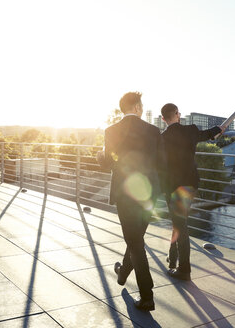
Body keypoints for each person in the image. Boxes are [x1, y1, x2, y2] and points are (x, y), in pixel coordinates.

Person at [97, 92, 165, 311]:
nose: (142, 108)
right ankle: (123, 273)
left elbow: (106, 163)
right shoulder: (154, 130)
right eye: (142, 105)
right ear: (136, 107)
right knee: (136, 238)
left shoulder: (111, 131)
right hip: (149, 192)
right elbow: (162, 162)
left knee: (135, 241)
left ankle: (147, 297)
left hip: (125, 192)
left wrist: (100, 154)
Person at [160, 103, 224, 280]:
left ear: (163, 119)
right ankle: (173, 259)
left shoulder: (162, 138)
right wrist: (220, 127)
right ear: (178, 114)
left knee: (179, 224)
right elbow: (208, 134)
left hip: (171, 186)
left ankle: (184, 269)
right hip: (189, 184)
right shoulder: (190, 130)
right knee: (179, 222)